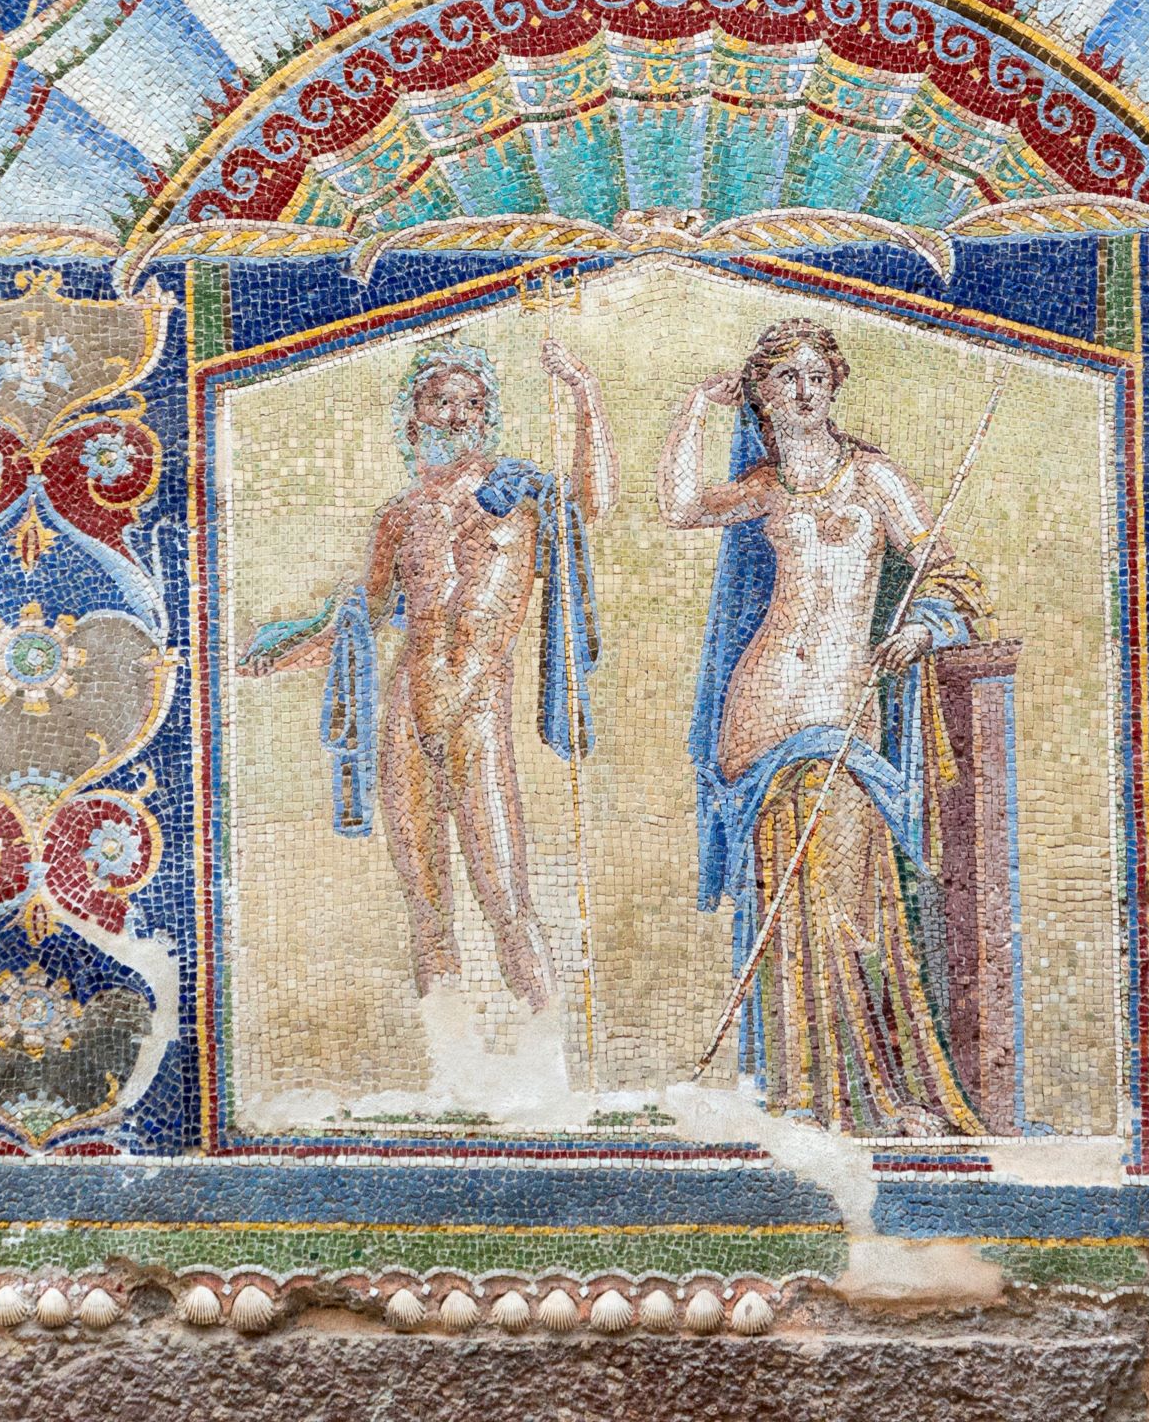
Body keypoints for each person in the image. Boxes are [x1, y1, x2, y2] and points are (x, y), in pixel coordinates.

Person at [657, 317, 983, 1137]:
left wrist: (926, 627)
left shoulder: (873, 477)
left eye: (815, 376)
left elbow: (948, 569)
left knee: (849, 902)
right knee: (787, 910)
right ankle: (805, 1090)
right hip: (761, 707)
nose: (803, 391)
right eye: (785, 379)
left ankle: (873, 1093)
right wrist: (695, 407)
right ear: (762, 396)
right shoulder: (766, 486)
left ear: (834, 386)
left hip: (839, 705)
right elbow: (682, 506)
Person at [242, 333, 611, 1015]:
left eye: (471, 404)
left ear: (487, 416)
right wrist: (278, 658)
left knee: (505, 899)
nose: (457, 415)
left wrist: (583, 391)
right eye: (441, 401)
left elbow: (591, 503)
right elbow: (360, 620)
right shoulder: (400, 516)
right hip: (407, 712)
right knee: (426, 906)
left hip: (477, 708)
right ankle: (449, 1050)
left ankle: (546, 1042)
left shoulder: (519, 495)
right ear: (414, 416)